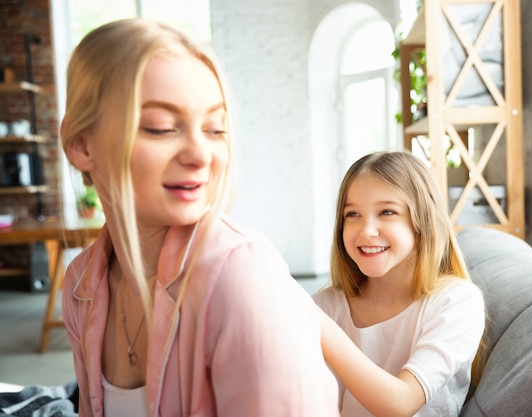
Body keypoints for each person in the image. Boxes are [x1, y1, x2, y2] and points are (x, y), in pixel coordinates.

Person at [60, 18, 340, 417]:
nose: (200, 155)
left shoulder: (243, 279)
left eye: (214, 129)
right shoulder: (80, 286)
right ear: (82, 145)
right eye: (161, 128)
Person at [314, 151, 486, 417]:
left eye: (387, 212)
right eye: (353, 214)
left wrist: (318, 325)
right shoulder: (326, 305)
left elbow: (401, 404)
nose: (367, 230)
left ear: (423, 221)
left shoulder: (456, 302)